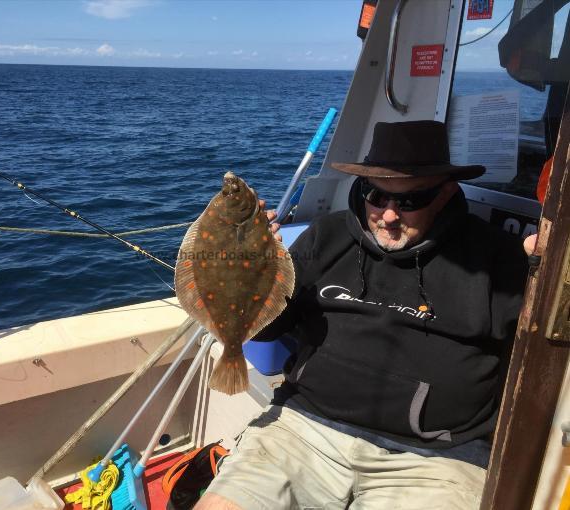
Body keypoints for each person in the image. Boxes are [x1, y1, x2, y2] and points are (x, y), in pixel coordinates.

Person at [195, 120, 529, 510]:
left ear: (445, 194)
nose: (388, 215)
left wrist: (543, 268)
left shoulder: (497, 257)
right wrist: (254, 272)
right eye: (375, 194)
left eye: (409, 201)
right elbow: (269, 332)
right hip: (303, 430)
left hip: (434, 462)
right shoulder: (326, 237)